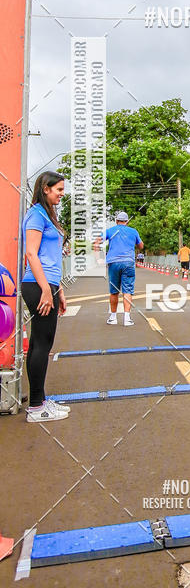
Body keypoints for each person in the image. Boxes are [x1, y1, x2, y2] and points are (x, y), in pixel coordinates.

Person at [21, 172, 70, 423]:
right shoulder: (36, 214)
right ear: (45, 188)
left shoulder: (47, 214)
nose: (62, 193)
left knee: (41, 343)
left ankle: (39, 402)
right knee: (42, 344)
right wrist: (45, 290)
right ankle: (37, 408)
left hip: (47, 283)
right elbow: (31, 253)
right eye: (58, 189)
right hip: (37, 285)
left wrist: (57, 289)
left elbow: (50, 258)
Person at [100, 211, 143, 326]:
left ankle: (113, 317)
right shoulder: (133, 232)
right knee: (127, 290)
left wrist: (97, 258)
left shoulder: (110, 231)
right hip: (128, 262)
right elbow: (141, 245)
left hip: (113, 263)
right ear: (127, 222)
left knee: (114, 291)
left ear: (116, 221)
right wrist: (135, 243)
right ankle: (127, 319)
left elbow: (97, 241)